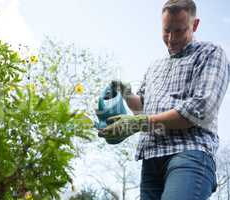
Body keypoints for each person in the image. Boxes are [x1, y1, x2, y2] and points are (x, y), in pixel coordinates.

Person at [98, 0, 230, 199]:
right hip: (151, 160)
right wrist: (125, 93)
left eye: (179, 31)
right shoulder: (155, 67)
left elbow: (201, 109)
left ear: (194, 25)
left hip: (189, 154)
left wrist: (140, 123)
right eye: (166, 31)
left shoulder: (210, 54)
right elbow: (143, 109)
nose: (171, 38)